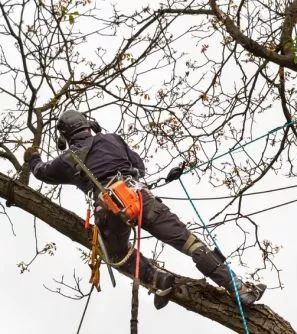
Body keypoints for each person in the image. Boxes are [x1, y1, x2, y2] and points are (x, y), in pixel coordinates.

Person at [23, 110, 266, 309]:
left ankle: (157, 278)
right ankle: (239, 288)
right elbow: (139, 166)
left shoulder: (67, 160)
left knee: (116, 254)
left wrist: (32, 156)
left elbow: (41, 172)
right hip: (140, 195)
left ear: (66, 136)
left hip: (108, 208)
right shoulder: (112, 139)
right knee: (189, 242)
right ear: (89, 125)